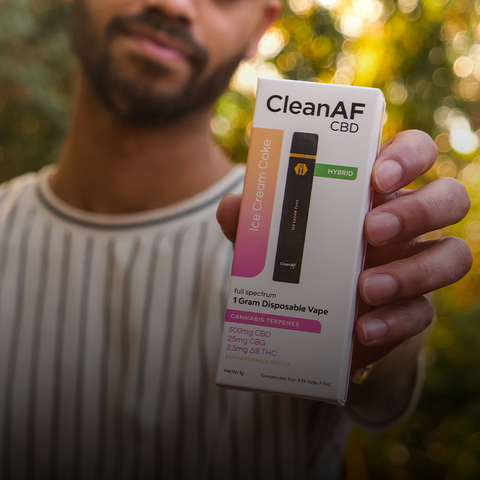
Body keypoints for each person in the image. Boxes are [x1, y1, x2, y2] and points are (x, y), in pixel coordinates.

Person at [0, 0, 472, 479]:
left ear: (260, 26)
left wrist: (375, 315)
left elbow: (379, 387)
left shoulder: (319, 227)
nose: (174, 6)